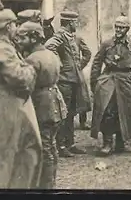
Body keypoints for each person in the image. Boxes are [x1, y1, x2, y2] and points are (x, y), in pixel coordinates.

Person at [0, 3, 43, 188]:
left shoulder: (2, 45)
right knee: (13, 152)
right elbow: (19, 78)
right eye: (15, 25)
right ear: (8, 27)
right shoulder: (2, 48)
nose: (17, 29)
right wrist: (31, 69)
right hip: (8, 105)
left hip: (6, 103)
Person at [15, 22, 68, 189]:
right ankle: (50, 181)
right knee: (51, 145)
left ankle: (45, 185)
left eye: (23, 37)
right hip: (56, 103)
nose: (20, 41)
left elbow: (25, 86)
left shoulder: (32, 59)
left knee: (44, 147)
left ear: (33, 37)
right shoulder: (51, 54)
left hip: (42, 106)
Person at [90, 15, 131, 156]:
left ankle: (121, 142)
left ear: (127, 29)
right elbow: (97, 63)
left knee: (124, 112)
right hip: (108, 79)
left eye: (122, 27)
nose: (119, 30)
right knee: (107, 111)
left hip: (126, 82)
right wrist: (94, 83)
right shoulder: (107, 44)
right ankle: (107, 143)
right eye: (117, 27)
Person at [45, 11, 92, 157]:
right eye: (75, 22)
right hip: (64, 81)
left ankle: (70, 143)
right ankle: (61, 145)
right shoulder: (60, 35)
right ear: (70, 22)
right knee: (63, 114)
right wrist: (60, 65)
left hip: (74, 80)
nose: (76, 25)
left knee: (71, 113)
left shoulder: (73, 36)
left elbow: (87, 53)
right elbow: (48, 46)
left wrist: (77, 67)